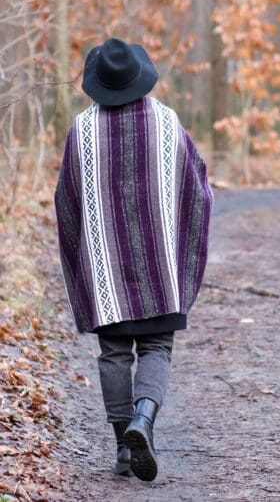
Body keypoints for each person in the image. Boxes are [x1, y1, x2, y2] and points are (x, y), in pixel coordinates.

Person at [54, 38, 213, 482]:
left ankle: (125, 444)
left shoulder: (82, 130)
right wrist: (185, 245)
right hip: (160, 267)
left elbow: (66, 200)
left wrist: (81, 256)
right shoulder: (167, 122)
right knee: (157, 346)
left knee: (114, 352)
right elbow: (196, 187)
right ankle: (144, 418)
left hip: (105, 269)